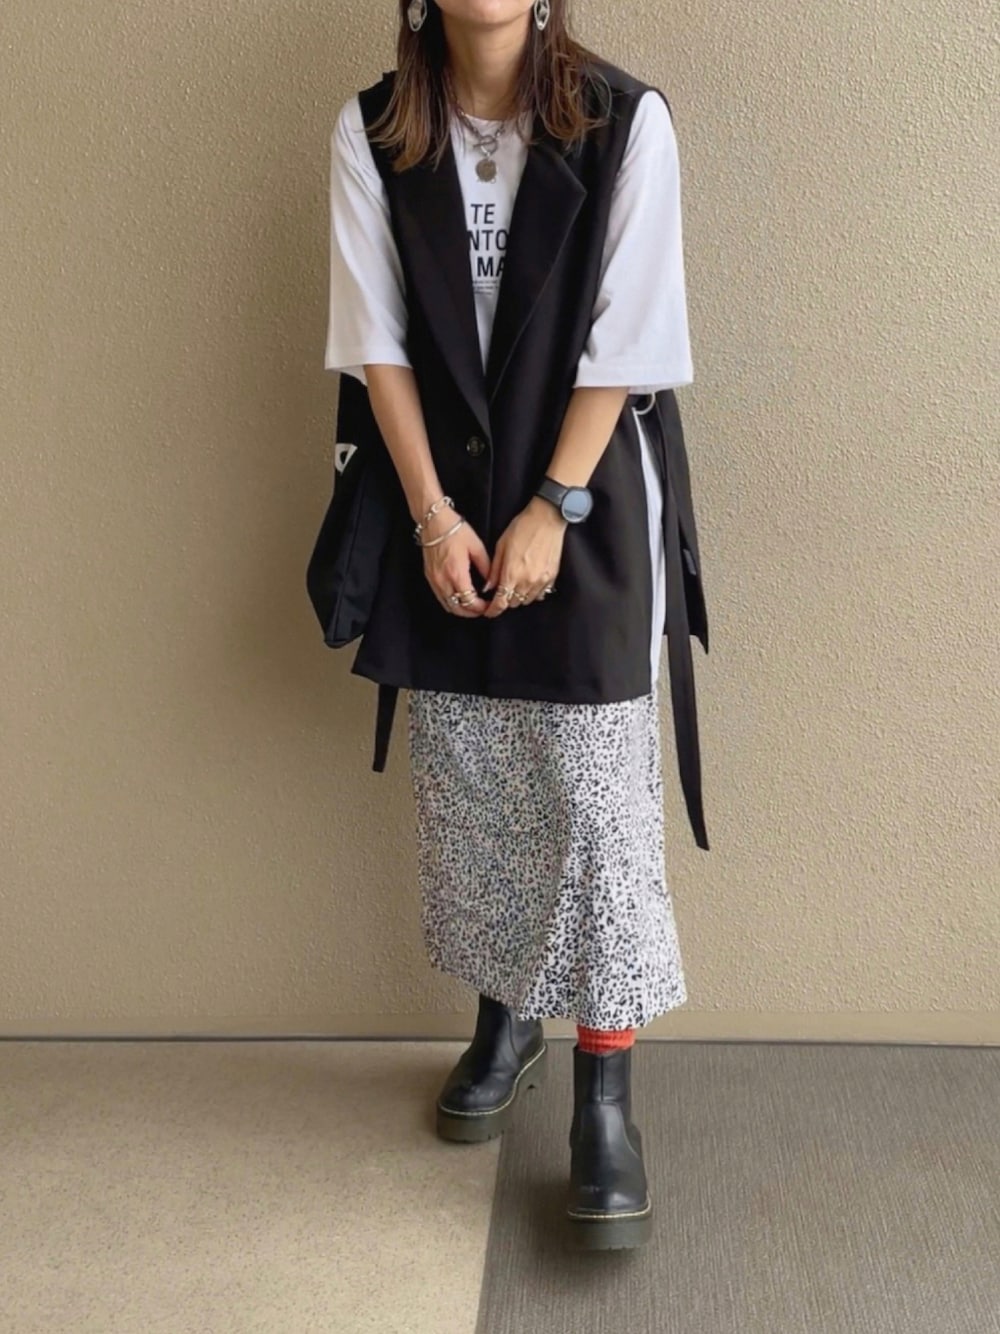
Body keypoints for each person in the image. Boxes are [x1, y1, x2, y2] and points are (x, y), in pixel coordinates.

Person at [321, 0, 709, 1252]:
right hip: (440, 504)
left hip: (586, 504)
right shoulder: (375, 130)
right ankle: (506, 1017)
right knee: (476, 782)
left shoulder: (624, 122)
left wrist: (552, 504)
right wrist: (434, 519)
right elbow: (375, 346)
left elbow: (629, 341)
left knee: (596, 805)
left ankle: (605, 1091)